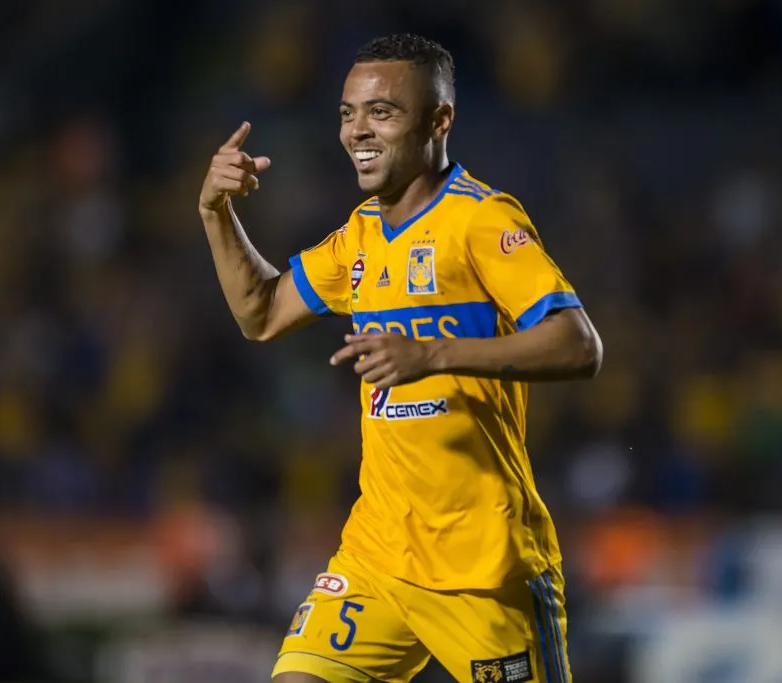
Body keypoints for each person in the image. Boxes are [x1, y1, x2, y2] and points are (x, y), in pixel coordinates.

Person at [197, 33, 602, 683]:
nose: (358, 130)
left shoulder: (479, 220)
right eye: (347, 113)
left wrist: (434, 352)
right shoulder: (359, 235)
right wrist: (216, 213)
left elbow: (579, 343)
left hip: (484, 568)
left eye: (381, 112)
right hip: (377, 555)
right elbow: (263, 312)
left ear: (440, 120)